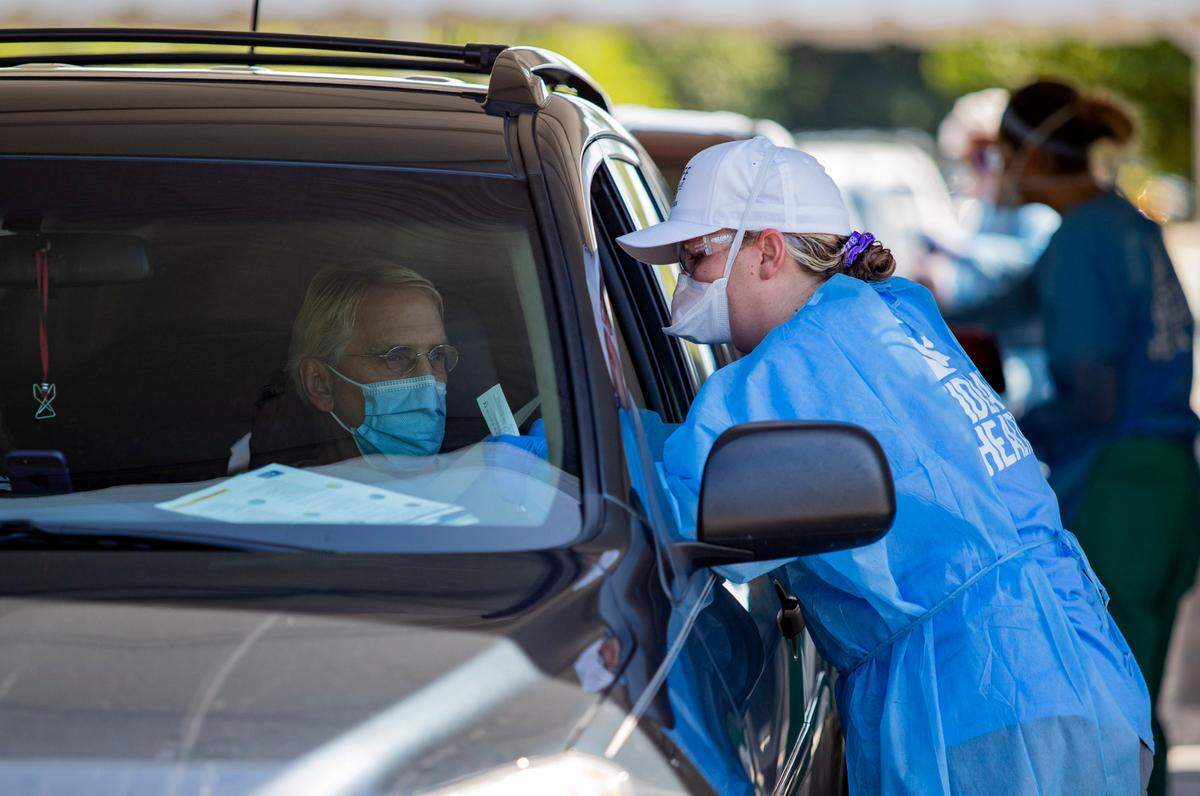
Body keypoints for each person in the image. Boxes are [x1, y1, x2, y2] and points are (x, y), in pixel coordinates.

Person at [617, 136, 1152, 793]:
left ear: (769, 250)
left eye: (697, 260)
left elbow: (675, 503)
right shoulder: (892, 311)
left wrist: (527, 454)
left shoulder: (794, 365)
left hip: (976, 707)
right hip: (1071, 675)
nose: (684, 289)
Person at [973, 80, 1196, 796]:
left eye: (996, 155)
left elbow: (1091, 392)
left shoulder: (1083, 239)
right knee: (1134, 694)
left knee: (1108, 707)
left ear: (1026, 155)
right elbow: (1010, 305)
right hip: (1165, 483)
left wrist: (999, 435)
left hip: (1120, 486)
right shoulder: (1123, 225)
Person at [287, 259, 458, 461]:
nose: (428, 381)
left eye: (437, 355)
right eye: (395, 356)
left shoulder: (480, 478)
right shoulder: (279, 490)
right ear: (319, 383)